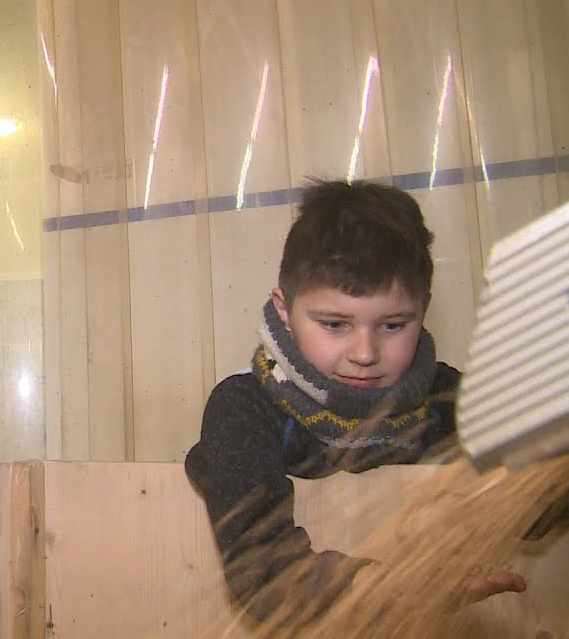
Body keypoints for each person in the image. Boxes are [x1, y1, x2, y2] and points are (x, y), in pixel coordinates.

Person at [184, 179, 525, 622]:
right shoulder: (246, 409)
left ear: (424, 309)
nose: (364, 355)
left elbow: (539, 502)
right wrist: (395, 588)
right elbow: (262, 568)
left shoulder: (452, 403)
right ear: (285, 311)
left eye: (392, 326)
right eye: (335, 324)